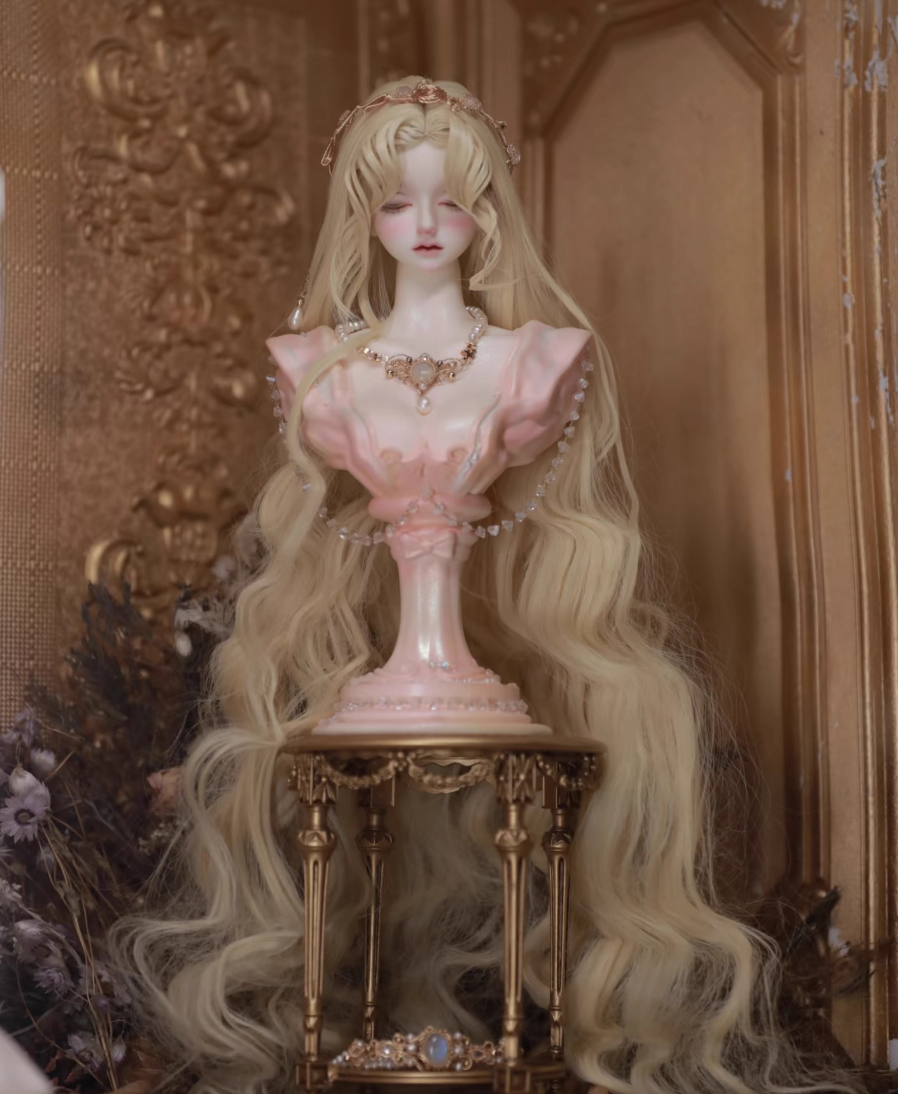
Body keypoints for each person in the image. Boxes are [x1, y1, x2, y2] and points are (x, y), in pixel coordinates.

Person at [115, 76, 856, 1094]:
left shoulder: (538, 361)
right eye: (396, 200)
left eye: (451, 200)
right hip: (385, 686)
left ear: (486, 214)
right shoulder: (317, 367)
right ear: (362, 215)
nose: (425, 224)